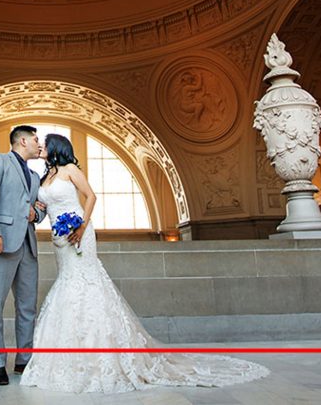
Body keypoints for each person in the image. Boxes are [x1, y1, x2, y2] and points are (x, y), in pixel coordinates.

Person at [20, 133, 270, 393]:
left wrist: (82, 225)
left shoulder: (71, 169)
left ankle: (102, 355)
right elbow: (42, 205)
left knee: (85, 282)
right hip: (59, 239)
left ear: (57, 147)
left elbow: (91, 196)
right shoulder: (44, 176)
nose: (42, 146)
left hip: (80, 233)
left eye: (45, 143)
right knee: (67, 281)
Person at [0, 124, 47, 386]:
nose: (38, 144)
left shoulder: (34, 176)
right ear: (22, 141)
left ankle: (24, 360)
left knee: (27, 307)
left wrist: (35, 214)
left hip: (28, 246)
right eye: (35, 139)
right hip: (1, 242)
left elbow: (40, 209)